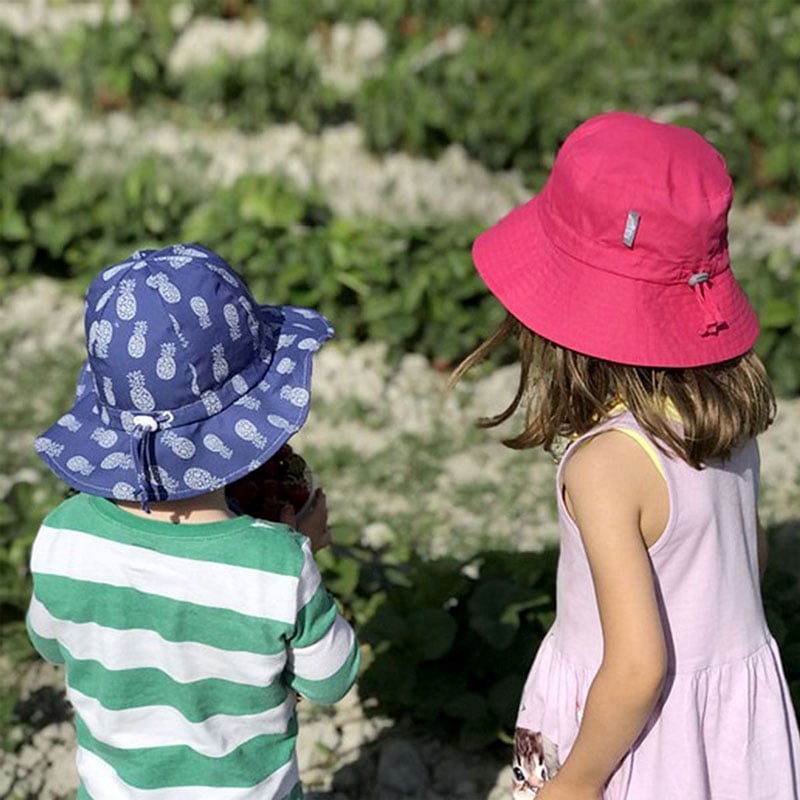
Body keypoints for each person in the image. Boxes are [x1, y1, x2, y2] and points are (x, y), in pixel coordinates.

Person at [450, 112, 800, 799]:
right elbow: (745, 557)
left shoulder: (604, 465)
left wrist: (577, 781)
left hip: (632, 743)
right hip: (731, 732)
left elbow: (638, 667)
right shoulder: (722, 425)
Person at [27, 243, 360, 799]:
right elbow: (331, 679)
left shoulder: (63, 535)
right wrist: (301, 551)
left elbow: (48, 640)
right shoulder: (274, 564)